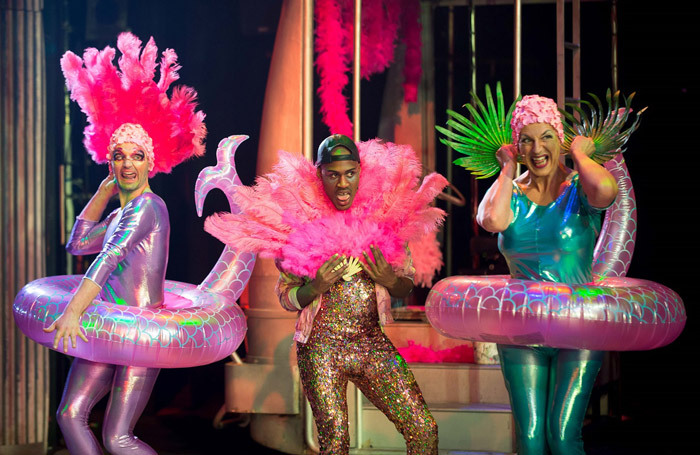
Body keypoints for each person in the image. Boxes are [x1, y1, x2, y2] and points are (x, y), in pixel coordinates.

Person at [205, 134, 445, 455]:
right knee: (335, 445)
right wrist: (315, 286)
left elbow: (405, 285)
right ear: (320, 177)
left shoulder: (382, 219)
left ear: (361, 172)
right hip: (321, 351)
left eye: (350, 173)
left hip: (369, 343)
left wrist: (388, 278)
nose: (342, 184)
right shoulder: (302, 226)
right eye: (333, 175)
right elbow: (287, 298)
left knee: (423, 427)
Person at [43, 33, 205, 454]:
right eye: (119, 155)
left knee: (118, 437)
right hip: (108, 325)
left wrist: (73, 311)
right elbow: (78, 246)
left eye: (136, 155)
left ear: (151, 161)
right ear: (109, 160)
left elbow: (110, 257)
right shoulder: (120, 212)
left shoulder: (149, 208)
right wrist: (101, 195)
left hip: (138, 331)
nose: (127, 164)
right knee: (69, 414)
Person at [476, 95, 619, 455]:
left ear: (561, 140)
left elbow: (606, 191)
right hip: (522, 328)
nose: (537, 149)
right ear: (516, 145)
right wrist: (507, 169)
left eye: (547, 138)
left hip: (578, 327)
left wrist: (581, 155)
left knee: (563, 435)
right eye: (526, 139)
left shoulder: (578, 188)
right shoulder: (513, 193)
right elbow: (491, 220)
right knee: (530, 437)